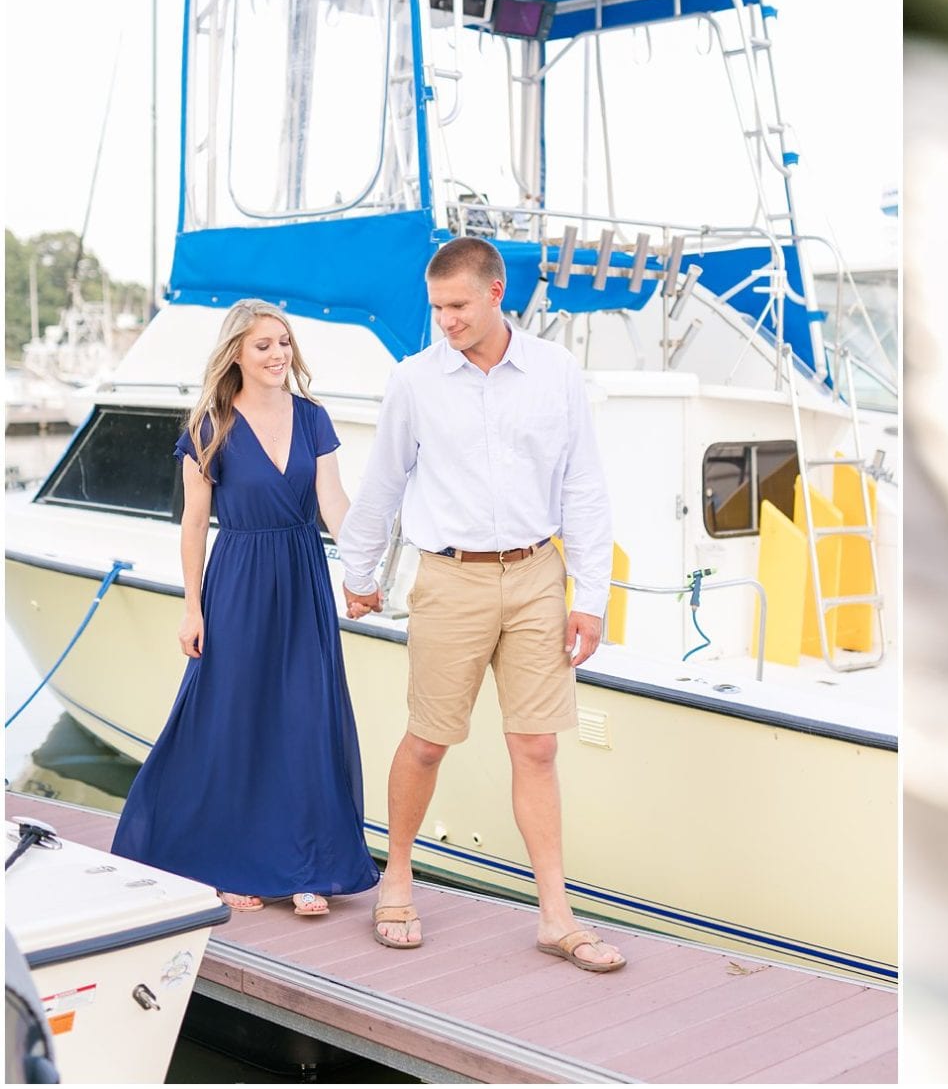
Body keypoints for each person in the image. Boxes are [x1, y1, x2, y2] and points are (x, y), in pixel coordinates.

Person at [335, 236, 623, 972]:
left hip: (536, 575)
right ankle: (395, 877)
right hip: (450, 578)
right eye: (436, 307)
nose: (446, 320)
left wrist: (589, 596)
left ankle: (555, 914)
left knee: (538, 745)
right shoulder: (414, 380)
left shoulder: (555, 372)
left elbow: (584, 485)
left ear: (497, 294)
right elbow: (382, 483)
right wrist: (358, 570)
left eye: (457, 305)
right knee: (429, 738)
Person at [113, 301, 380, 914]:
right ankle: (228, 863)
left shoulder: (312, 418)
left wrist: (361, 569)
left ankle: (307, 866)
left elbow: (333, 501)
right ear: (236, 351)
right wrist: (192, 608)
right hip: (238, 580)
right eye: (263, 345)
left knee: (305, 719)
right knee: (234, 720)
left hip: (303, 575)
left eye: (283, 343)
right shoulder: (212, 424)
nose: (278, 355)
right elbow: (192, 524)